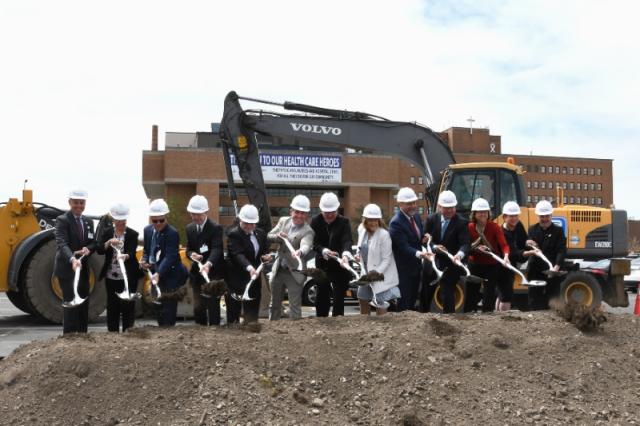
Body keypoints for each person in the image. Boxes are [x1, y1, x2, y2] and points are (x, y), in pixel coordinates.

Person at [54, 189, 97, 334]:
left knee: (84, 301)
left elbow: (93, 243)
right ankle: (69, 337)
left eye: (82, 203)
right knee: (71, 302)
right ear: (70, 203)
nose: (79, 205)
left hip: (83, 269)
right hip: (67, 269)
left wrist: (87, 249)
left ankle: (83, 336)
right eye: (76, 203)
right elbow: (62, 243)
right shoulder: (62, 220)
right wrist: (72, 258)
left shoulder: (89, 222)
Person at [140, 199, 188, 327]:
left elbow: (170, 256)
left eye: (161, 220)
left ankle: (169, 334)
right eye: (155, 221)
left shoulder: (172, 233)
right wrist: (144, 260)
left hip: (171, 276)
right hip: (156, 275)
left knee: (169, 311)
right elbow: (147, 251)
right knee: (158, 309)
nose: (158, 224)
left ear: (166, 217)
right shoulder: (148, 231)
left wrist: (159, 273)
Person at [422, 190, 470, 314]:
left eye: (452, 207)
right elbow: (424, 240)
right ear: (439, 207)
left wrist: (459, 255)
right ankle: (422, 318)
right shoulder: (431, 219)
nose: (449, 210)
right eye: (446, 208)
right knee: (426, 293)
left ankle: (450, 321)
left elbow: (465, 243)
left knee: (448, 295)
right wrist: (433, 247)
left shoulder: (461, 222)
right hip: (433, 262)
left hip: (451, 265)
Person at [268, 194, 314, 320]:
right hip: (278, 270)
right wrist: (278, 236)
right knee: (274, 304)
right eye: (297, 212)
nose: (299, 216)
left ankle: (296, 335)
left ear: (307, 215)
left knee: (294, 306)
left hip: (294, 273)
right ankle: (272, 330)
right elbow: (269, 235)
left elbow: (306, 244)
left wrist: (300, 251)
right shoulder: (283, 221)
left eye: (303, 213)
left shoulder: (308, 231)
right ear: (291, 211)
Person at [96, 203, 141, 332]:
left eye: (123, 220)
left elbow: (132, 252)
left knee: (128, 306)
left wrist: (126, 256)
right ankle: (113, 333)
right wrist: (108, 242)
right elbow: (99, 250)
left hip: (128, 277)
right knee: (112, 306)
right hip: (111, 277)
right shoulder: (107, 232)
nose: (120, 222)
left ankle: (128, 332)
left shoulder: (133, 234)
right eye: (118, 220)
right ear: (113, 219)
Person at [311, 192, 353, 317]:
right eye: (326, 212)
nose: (329, 215)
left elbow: (347, 240)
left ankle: (338, 321)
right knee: (322, 293)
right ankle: (322, 320)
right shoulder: (315, 221)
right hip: (322, 264)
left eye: (332, 212)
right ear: (321, 209)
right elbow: (314, 242)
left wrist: (345, 255)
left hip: (340, 265)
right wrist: (323, 250)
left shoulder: (344, 222)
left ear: (337, 209)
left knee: (339, 296)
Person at [464, 198, 510, 313]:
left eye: (485, 211)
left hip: (491, 266)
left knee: (489, 294)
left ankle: (487, 317)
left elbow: (504, 245)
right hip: (474, 264)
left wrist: (506, 256)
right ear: (474, 214)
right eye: (479, 212)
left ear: (488, 213)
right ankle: (469, 315)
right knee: (471, 293)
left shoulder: (494, 227)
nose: (482, 214)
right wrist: (475, 248)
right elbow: (465, 246)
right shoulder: (469, 227)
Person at [185, 195, 225, 326]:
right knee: (198, 306)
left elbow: (217, 249)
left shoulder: (215, 228)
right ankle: (200, 330)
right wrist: (192, 255)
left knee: (213, 304)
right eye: (193, 214)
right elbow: (188, 250)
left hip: (213, 273)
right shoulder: (189, 228)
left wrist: (208, 264)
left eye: (199, 214)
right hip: (197, 274)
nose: (196, 217)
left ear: (206, 212)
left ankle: (214, 330)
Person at [226, 204, 268, 323]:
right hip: (236, 280)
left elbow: (263, 251)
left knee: (252, 315)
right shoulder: (233, 234)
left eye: (252, 223)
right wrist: (249, 268)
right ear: (240, 220)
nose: (249, 226)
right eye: (246, 223)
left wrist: (266, 257)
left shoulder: (261, 234)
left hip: (254, 280)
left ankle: (251, 329)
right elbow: (238, 255)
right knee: (234, 315)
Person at [356, 204, 400, 315]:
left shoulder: (384, 235)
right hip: (366, 272)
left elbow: (387, 259)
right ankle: (365, 325)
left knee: (380, 301)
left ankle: (381, 329)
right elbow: (360, 246)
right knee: (362, 297)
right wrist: (358, 254)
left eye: (375, 220)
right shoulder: (361, 229)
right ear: (365, 220)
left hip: (380, 274)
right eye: (370, 220)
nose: (373, 223)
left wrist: (375, 274)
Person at [389, 187, 427, 311]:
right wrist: (421, 254)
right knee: (404, 303)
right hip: (403, 271)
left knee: (412, 301)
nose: (413, 206)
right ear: (400, 204)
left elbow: (418, 238)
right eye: (409, 204)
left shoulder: (415, 217)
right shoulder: (396, 223)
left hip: (415, 268)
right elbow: (404, 247)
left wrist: (425, 239)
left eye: (414, 203)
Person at [526, 200, 566, 310]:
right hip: (535, 270)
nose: (544, 219)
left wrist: (556, 267)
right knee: (534, 298)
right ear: (538, 216)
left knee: (553, 297)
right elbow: (526, 247)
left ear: (551, 215)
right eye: (542, 216)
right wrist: (528, 243)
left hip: (552, 269)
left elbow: (561, 250)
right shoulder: (532, 229)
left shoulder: (558, 231)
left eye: (546, 216)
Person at [499, 201, 529, 311]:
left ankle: (497, 317)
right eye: (511, 216)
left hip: (511, 264)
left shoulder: (518, 225)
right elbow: (514, 253)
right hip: (503, 267)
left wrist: (529, 244)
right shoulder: (502, 233)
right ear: (504, 217)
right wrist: (528, 253)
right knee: (506, 295)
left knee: (502, 294)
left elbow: (523, 240)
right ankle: (503, 319)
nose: (514, 218)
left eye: (516, 215)